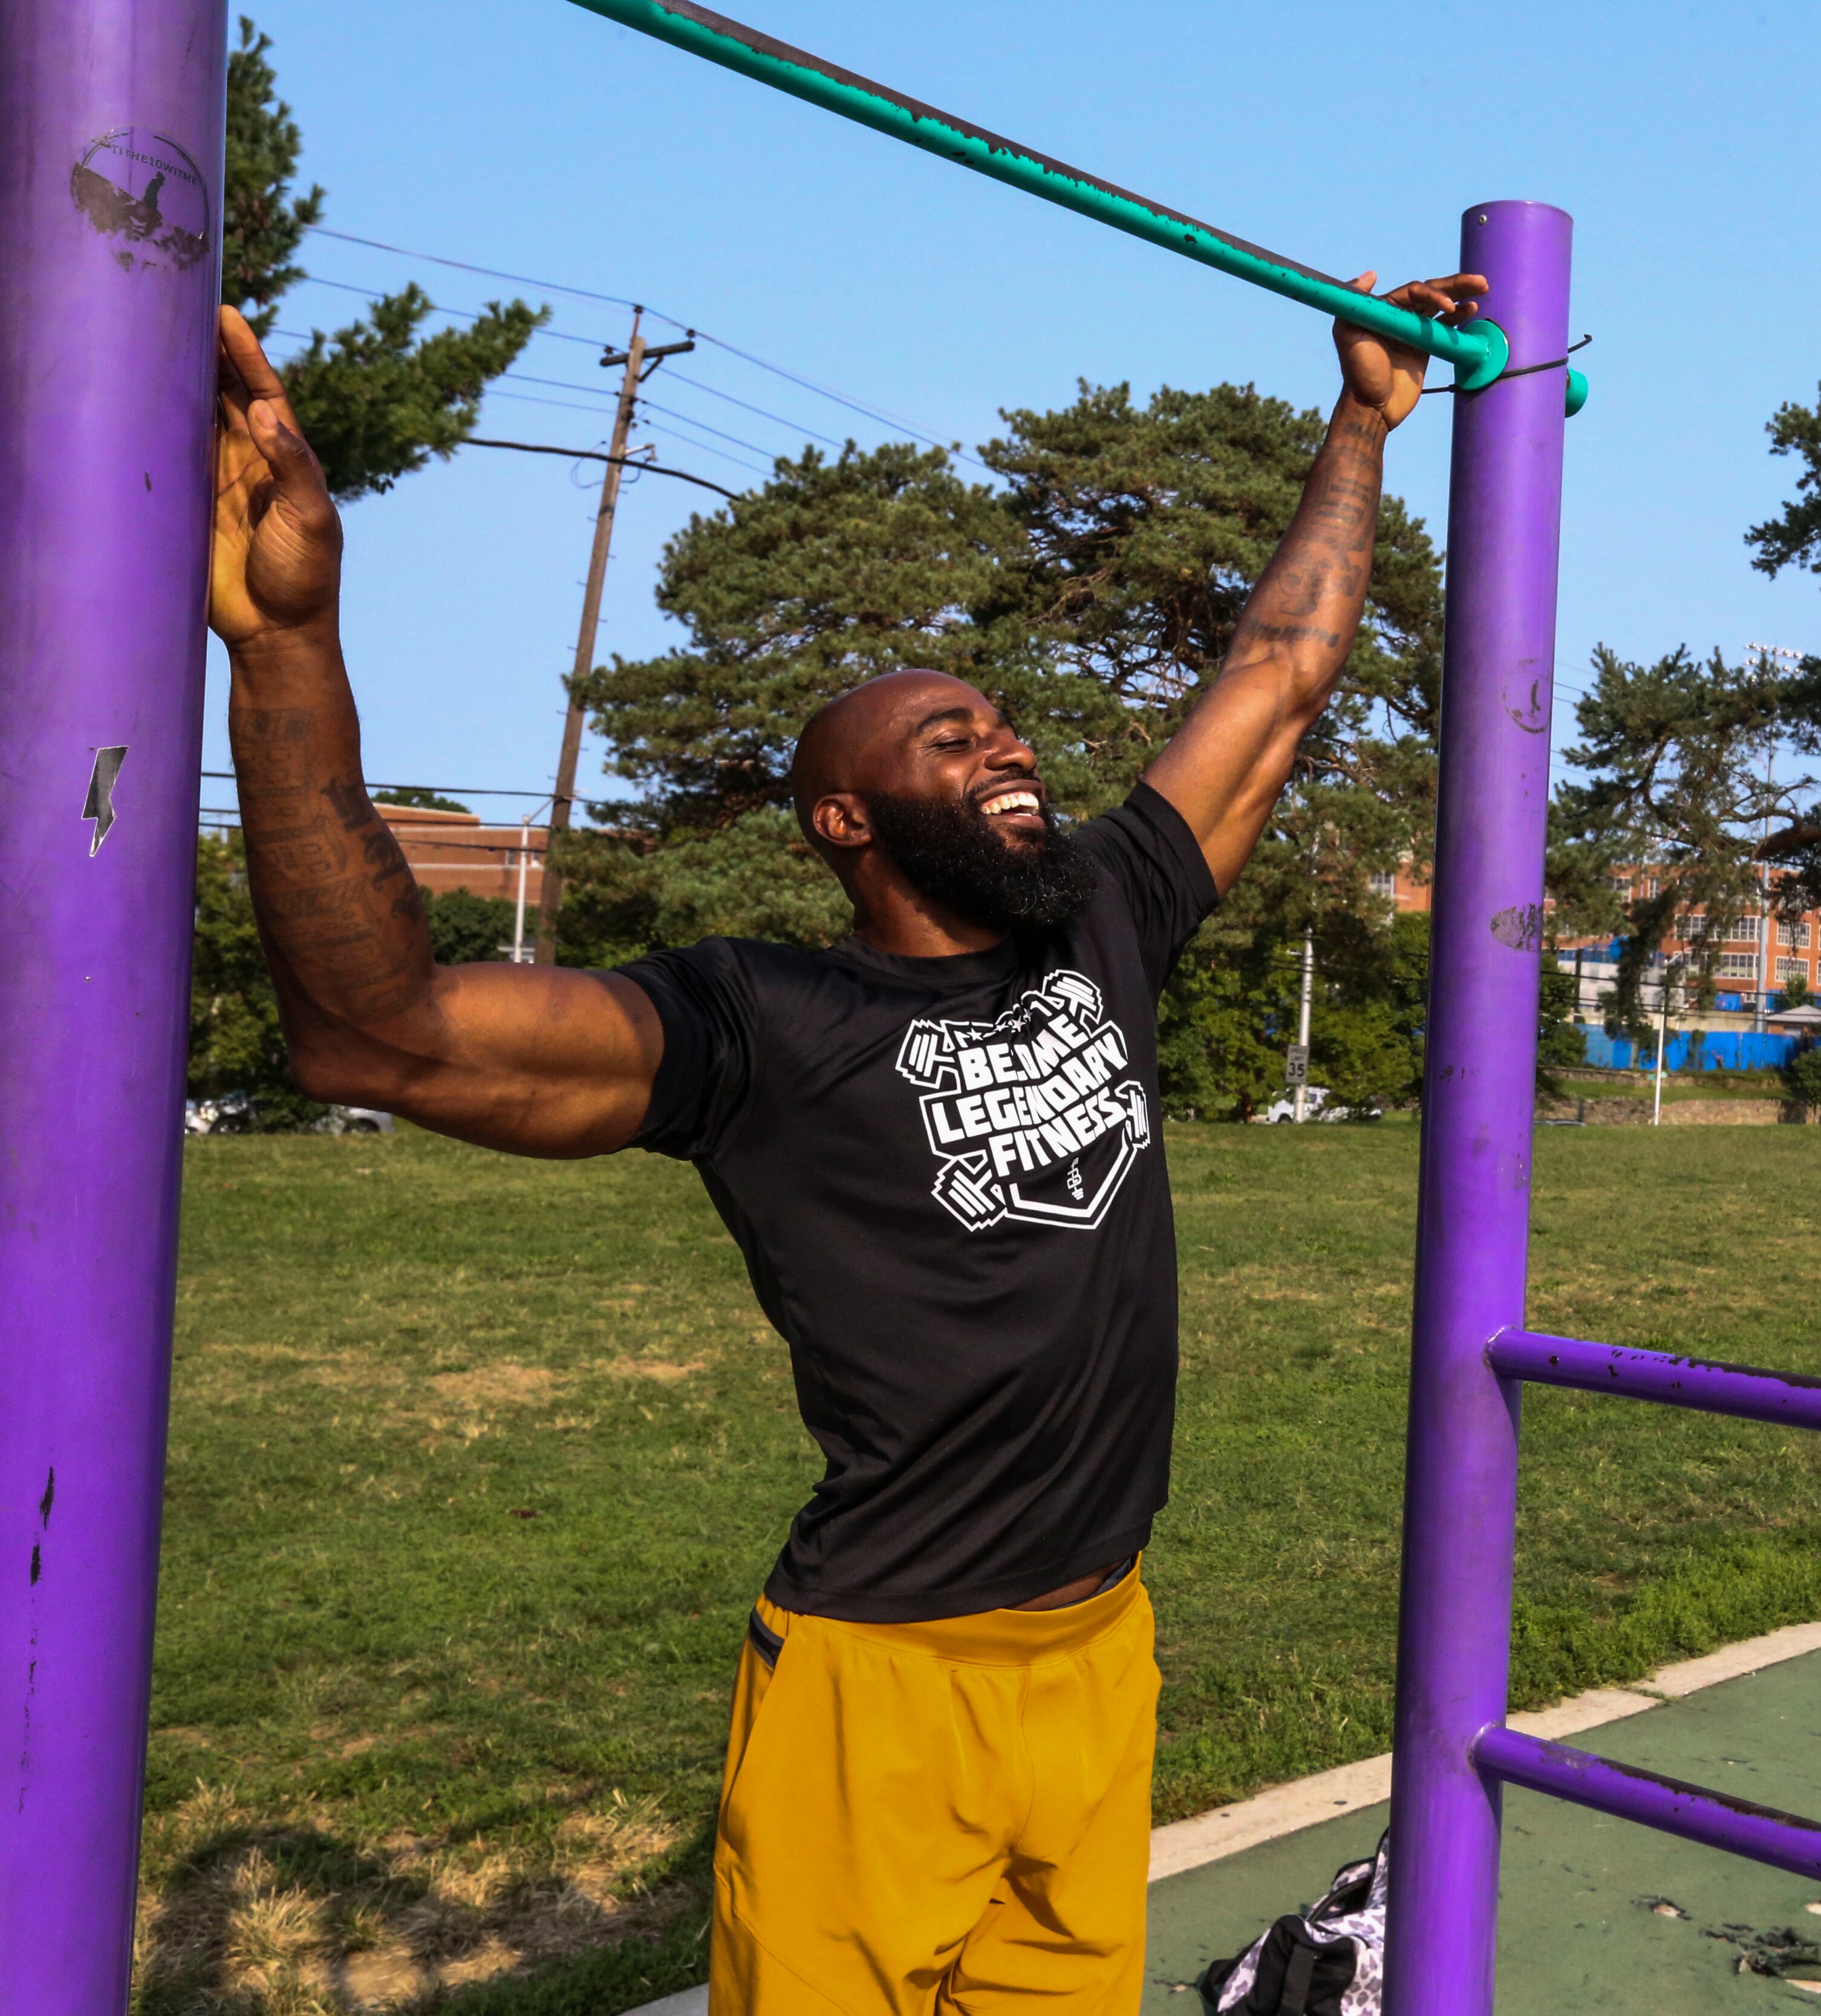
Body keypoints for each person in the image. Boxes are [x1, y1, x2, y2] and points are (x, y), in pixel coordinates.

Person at [205, 267, 1486, 2015]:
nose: (1005, 740)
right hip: (878, 1684)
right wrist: (288, 640)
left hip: (1102, 1650)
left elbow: (1278, 676)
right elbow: (384, 1031)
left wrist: (1360, 421)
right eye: (949, 738)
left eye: (1004, 717)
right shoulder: (766, 1025)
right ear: (846, 816)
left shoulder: (1100, 914)